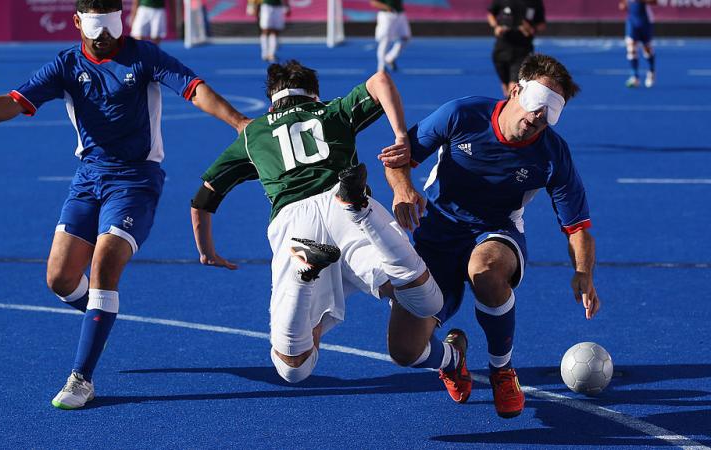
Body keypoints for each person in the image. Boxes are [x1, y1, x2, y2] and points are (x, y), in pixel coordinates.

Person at [0, 0, 249, 410]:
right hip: (88, 178)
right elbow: (14, 101)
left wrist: (238, 121)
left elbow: (193, 88)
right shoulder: (66, 64)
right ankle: (100, 311)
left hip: (136, 179)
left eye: (110, 28)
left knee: (106, 261)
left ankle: (81, 377)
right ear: (77, 23)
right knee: (59, 279)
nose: (105, 37)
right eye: (96, 30)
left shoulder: (143, 55)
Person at [191, 60, 470, 386]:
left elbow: (202, 201)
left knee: (293, 368)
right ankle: (361, 211)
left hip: (294, 224)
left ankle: (303, 275)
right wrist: (399, 136)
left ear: (271, 100)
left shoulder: (254, 134)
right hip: (343, 208)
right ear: (314, 94)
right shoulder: (330, 110)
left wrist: (207, 251)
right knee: (426, 301)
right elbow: (380, 79)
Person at [389, 54, 600, 418]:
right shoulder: (461, 114)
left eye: (551, 112)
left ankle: (502, 370)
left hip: (497, 230)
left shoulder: (552, 154)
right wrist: (403, 190)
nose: (539, 118)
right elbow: (400, 158)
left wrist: (584, 273)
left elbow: (577, 224)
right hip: (436, 231)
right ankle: (452, 359)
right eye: (537, 105)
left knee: (486, 269)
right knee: (405, 350)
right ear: (515, 90)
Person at [486, 0, 545, 96]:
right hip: (501, 49)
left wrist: (531, 29)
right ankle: (508, 107)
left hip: (523, 50)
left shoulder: (535, 2)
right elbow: (491, 14)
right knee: (506, 88)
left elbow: (541, 24)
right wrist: (496, 26)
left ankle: (512, 108)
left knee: (513, 87)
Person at [619, 0, 656, 88]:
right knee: (631, 47)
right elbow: (623, 4)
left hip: (645, 21)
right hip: (632, 21)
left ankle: (651, 71)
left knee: (647, 48)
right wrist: (623, 5)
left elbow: (654, 2)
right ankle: (635, 77)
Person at [371, 0, 410, 72]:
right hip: (386, 15)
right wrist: (387, 7)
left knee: (405, 38)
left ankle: (389, 58)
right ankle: (381, 67)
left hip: (400, 14)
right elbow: (373, 2)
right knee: (385, 40)